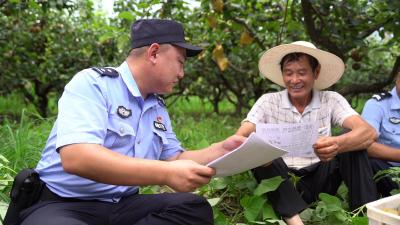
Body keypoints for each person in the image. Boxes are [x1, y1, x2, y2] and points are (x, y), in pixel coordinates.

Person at [17, 19, 245, 225]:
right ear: (154, 53)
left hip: (122, 205)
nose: (182, 74)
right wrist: (165, 173)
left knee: (193, 209)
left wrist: (221, 149)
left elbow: (175, 158)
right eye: (180, 62)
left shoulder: (156, 106)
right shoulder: (94, 84)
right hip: (63, 204)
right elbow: (77, 157)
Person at [236, 41, 378, 225]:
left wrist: (337, 144)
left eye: (302, 73)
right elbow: (243, 134)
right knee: (260, 149)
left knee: (354, 143)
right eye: (288, 73)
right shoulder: (267, 102)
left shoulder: (331, 100)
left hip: (321, 177)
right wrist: (250, 145)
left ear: (316, 72)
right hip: (283, 180)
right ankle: (295, 220)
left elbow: (369, 132)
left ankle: (366, 216)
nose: (294, 80)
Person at [361, 74, 400, 197]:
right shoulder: (377, 105)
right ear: (398, 80)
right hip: (389, 173)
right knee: (367, 161)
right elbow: (364, 144)